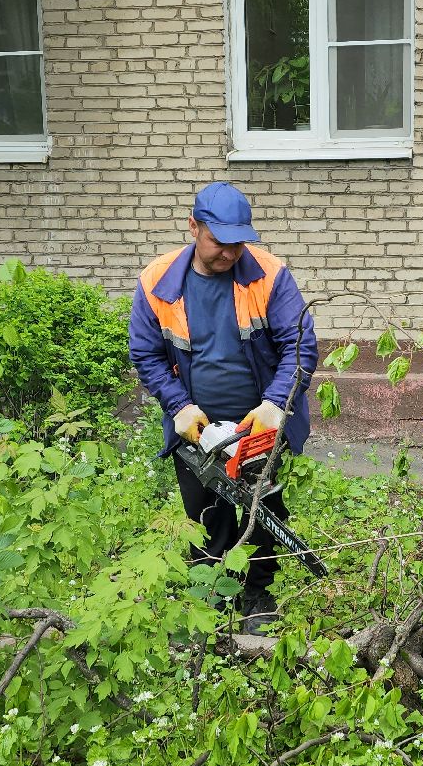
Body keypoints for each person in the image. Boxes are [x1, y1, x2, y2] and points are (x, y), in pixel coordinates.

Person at [129, 183, 318, 633]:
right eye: (219, 242)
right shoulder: (157, 281)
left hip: (259, 425)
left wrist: (276, 405)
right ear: (193, 227)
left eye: (238, 243)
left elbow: (299, 345)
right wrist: (177, 406)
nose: (230, 253)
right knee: (205, 513)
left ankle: (257, 595)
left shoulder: (270, 275)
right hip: (197, 428)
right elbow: (146, 353)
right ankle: (212, 594)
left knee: (263, 511)